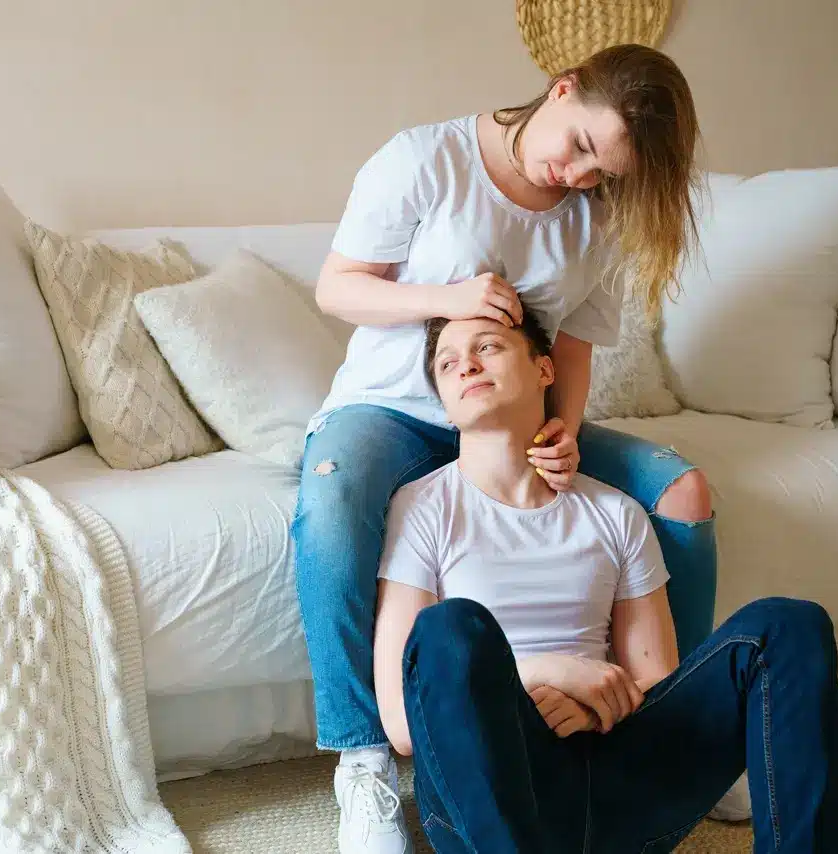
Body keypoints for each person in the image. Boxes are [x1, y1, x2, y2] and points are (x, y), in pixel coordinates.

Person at [292, 44, 721, 853]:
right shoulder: (424, 160)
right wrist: (445, 297)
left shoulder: (595, 214)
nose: (581, 178)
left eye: (605, 174)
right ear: (562, 91)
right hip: (390, 409)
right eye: (583, 148)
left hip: (519, 413)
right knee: (333, 499)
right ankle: (365, 761)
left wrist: (563, 424)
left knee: (682, 492)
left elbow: (580, 344)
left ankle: (681, 727)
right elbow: (337, 286)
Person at [372, 305, 838, 853]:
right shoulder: (422, 508)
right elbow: (406, 724)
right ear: (444, 403)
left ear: (546, 370)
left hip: (615, 775)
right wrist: (554, 673)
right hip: (494, 800)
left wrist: (595, 709)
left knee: (789, 625)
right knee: (450, 629)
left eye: (488, 347)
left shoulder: (616, 513)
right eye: (448, 364)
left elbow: (654, 681)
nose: (467, 366)